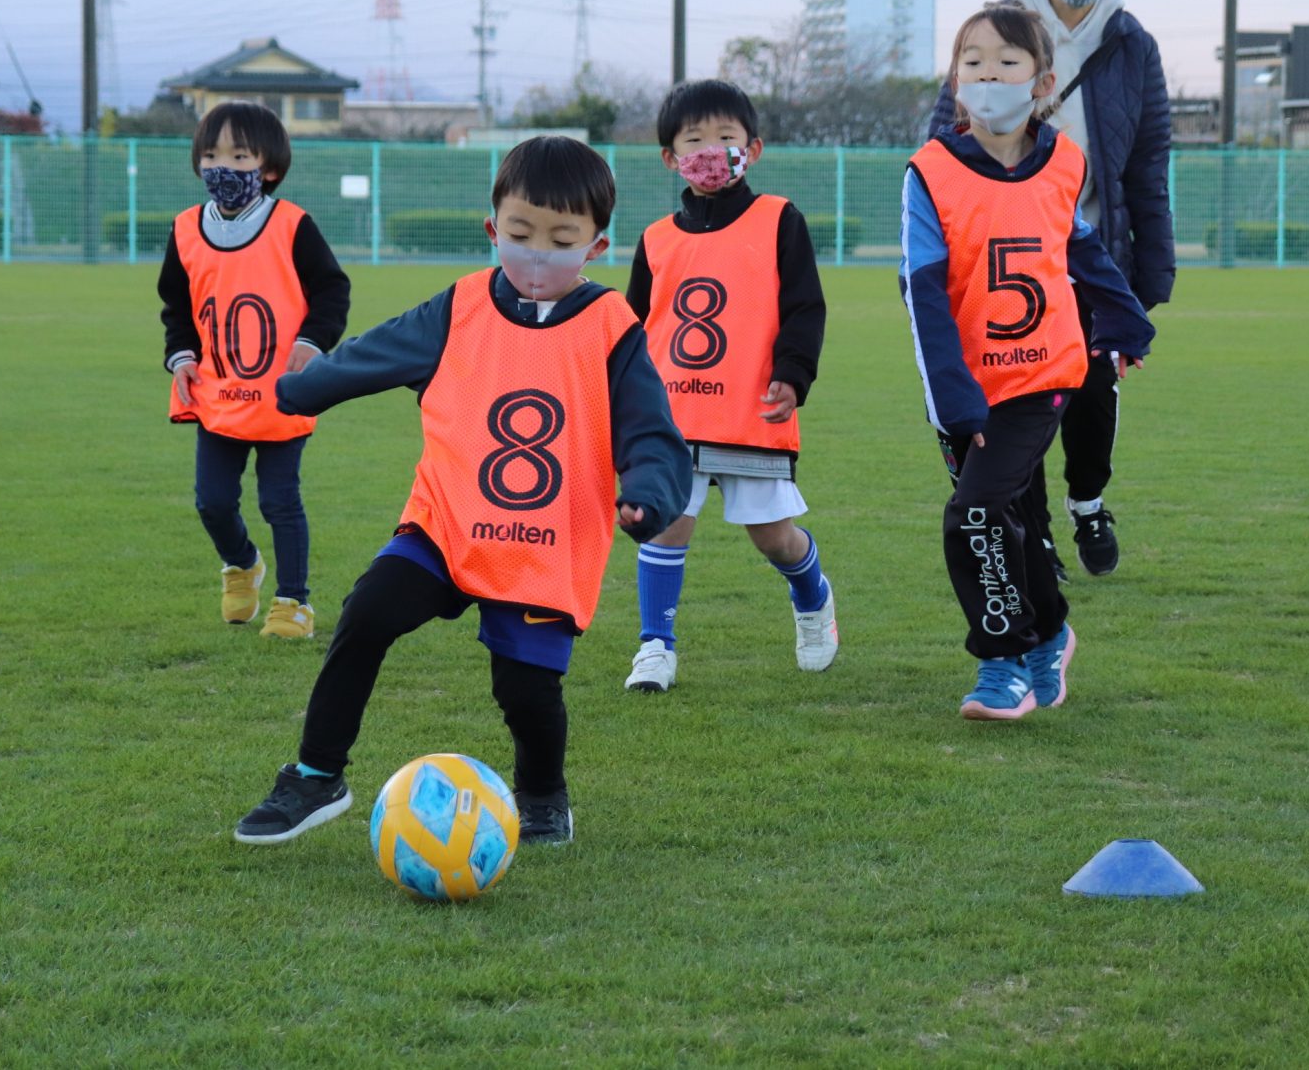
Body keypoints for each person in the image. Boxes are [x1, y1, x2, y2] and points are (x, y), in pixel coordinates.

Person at [231, 137, 691, 846]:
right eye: (520, 234)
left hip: (543, 548)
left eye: (561, 240)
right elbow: (375, 353)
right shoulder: (461, 308)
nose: (537, 255)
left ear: (596, 245)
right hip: (444, 527)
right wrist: (302, 389)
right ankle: (316, 775)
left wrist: (650, 494)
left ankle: (543, 794)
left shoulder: (611, 327)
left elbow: (651, 431)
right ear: (492, 229)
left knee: (525, 690)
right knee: (367, 614)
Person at [901, 0, 1154, 720]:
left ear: (1042, 82)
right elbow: (923, 294)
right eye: (972, 62)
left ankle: (1002, 660)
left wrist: (1126, 322)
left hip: (1044, 374)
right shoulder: (929, 172)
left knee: (974, 515)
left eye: (1006, 62)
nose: (988, 77)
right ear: (955, 82)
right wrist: (954, 400)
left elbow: (1081, 248)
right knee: (1012, 518)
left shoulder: (1064, 161)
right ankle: (1050, 636)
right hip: (966, 387)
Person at [926, 0, 1173, 579]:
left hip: (1091, 254)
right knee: (1014, 396)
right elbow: (946, 132)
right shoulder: (1000, 28)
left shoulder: (1132, 42)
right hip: (1003, 254)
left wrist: (1150, 276)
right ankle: (1032, 535)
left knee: (1092, 393)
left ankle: (1088, 500)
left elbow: (1148, 165)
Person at [620, 79, 836, 693]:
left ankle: (813, 598)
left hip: (751, 411)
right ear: (670, 157)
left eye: (725, 137)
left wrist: (793, 375)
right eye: (694, 140)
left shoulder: (779, 220)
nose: (710, 150)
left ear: (753, 149)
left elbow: (804, 307)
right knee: (668, 523)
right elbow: (634, 326)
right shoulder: (656, 238)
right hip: (672, 415)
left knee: (774, 539)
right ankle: (656, 646)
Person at [159, 101, 350, 639]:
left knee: (279, 500)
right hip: (217, 394)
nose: (223, 167)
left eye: (239, 156)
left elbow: (332, 290)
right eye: (212, 155)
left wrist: (312, 343)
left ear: (269, 167)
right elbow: (177, 306)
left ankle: (293, 603)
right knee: (213, 501)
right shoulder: (186, 229)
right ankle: (242, 564)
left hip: (283, 393)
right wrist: (182, 355)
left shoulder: (292, 225)